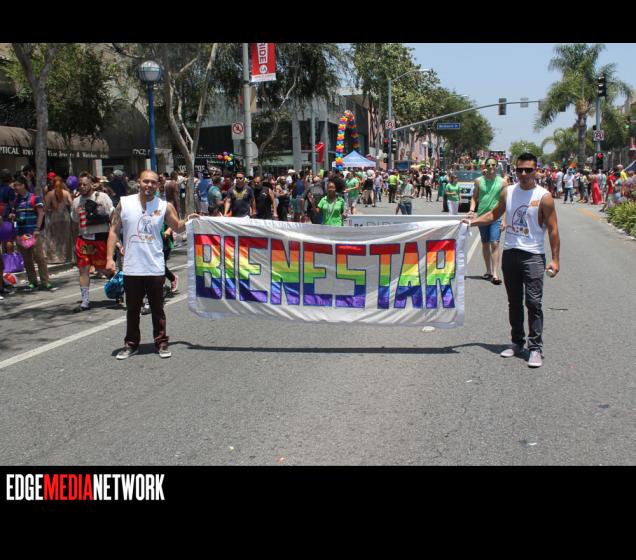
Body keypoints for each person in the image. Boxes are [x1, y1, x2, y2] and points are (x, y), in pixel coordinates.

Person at [463, 152, 560, 368]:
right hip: (510, 254)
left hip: (533, 256)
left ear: (536, 171)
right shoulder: (508, 192)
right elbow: (493, 215)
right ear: (515, 170)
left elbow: (553, 229)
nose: (524, 174)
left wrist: (555, 259)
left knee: (533, 303)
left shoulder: (544, 197)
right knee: (514, 302)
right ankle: (517, 342)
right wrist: (471, 222)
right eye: (520, 169)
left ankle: (535, 348)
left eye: (528, 170)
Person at [106, 170, 199, 360]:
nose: (149, 185)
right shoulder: (124, 203)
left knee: (157, 308)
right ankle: (131, 344)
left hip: (155, 265)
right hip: (132, 266)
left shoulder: (164, 206)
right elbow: (114, 230)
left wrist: (189, 220)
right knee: (133, 309)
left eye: (153, 182)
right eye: (145, 181)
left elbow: (177, 227)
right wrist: (109, 258)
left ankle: (161, 343)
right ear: (139, 182)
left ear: (158, 185)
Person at [70, 173, 114, 312]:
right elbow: (75, 221)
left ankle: (119, 287)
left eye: (85, 184)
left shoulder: (102, 197)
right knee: (83, 269)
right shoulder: (76, 201)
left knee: (104, 270)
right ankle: (85, 301)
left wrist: (115, 239)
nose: (82, 187)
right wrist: (74, 241)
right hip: (83, 239)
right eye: (80, 185)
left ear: (91, 185)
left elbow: (113, 217)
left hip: (100, 238)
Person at [7, 176, 53, 291]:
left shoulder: (34, 198)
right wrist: (13, 216)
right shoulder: (16, 201)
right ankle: (32, 281)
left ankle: (45, 281)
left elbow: (41, 214)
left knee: (39, 257)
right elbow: (16, 216)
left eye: (17, 185)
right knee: (27, 259)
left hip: (33, 233)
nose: (15, 188)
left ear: (23, 185)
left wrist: (37, 229)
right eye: (14, 185)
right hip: (21, 234)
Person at [468, 156, 507, 285]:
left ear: (496, 166)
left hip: (496, 216)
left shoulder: (503, 182)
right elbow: (474, 197)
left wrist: (504, 220)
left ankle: (495, 273)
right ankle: (488, 270)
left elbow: (506, 202)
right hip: (482, 217)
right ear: (485, 166)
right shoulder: (479, 181)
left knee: (494, 243)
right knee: (485, 244)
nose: (491, 167)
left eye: (493, 165)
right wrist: (472, 210)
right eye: (488, 165)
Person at [43, 175, 73, 264]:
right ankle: (65, 257)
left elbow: (45, 208)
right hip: (65, 217)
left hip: (55, 217)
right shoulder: (66, 193)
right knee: (65, 238)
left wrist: (50, 209)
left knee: (54, 238)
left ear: (53, 184)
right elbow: (72, 204)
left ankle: (56, 258)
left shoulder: (50, 194)